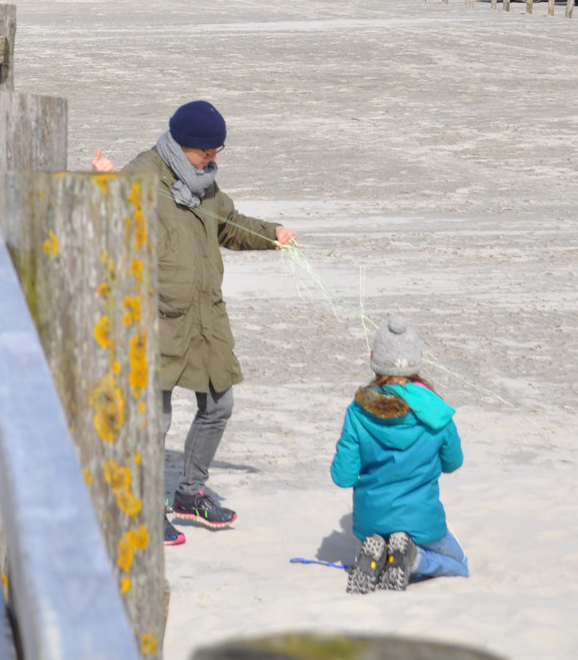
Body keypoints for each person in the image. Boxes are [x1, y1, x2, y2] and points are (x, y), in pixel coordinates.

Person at [92, 100, 294, 546]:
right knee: (154, 419)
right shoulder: (143, 176)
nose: (214, 158)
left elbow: (230, 224)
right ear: (186, 146)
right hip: (156, 319)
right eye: (209, 151)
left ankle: (189, 494)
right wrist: (103, 185)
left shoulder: (204, 185)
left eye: (218, 151)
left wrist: (271, 234)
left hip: (206, 317)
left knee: (219, 406)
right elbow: (102, 220)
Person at [330, 314, 468, 594]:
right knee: (459, 564)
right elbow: (454, 462)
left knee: (382, 534)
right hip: (421, 519)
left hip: (372, 519)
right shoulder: (435, 409)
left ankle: (381, 551)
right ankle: (412, 557)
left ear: (375, 359)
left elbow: (343, 476)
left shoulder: (357, 410)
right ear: (417, 359)